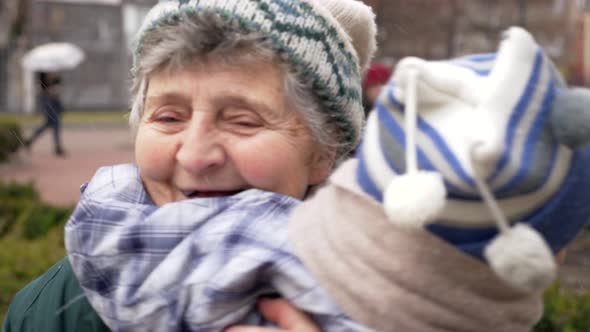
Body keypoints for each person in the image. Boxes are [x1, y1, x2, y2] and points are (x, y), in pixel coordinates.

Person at [3, 2, 590, 332]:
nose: (195, 154)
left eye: (243, 121)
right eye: (168, 117)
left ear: (327, 149)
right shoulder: (53, 309)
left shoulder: (447, 299)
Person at [24, 71, 66, 156]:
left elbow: (58, 83)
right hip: (48, 100)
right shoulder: (43, 73)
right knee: (55, 122)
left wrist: (56, 86)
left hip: (55, 101)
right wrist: (49, 89)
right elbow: (42, 87)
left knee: (48, 124)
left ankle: (29, 140)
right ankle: (57, 147)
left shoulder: (55, 70)